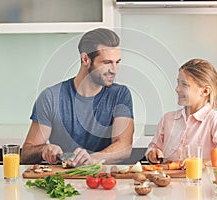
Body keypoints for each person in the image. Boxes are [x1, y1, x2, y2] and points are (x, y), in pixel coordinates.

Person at [21, 28, 134, 166]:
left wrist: (92, 159)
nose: (114, 70)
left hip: (104, 182)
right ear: (85, 59)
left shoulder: (120, 95)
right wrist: (43, 149)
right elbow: (26, 153)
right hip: (63, 179)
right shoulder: (51, 97)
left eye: (117, 62)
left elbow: (124, 147)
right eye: (107, 63)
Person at [146, 58, 217, 164]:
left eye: (184, 84)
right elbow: (154, 147)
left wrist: (200, 164)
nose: (177, 89)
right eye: (178, 83)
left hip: (202, 180)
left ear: (205, 91)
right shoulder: (168, 119)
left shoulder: (216, 121)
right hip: (168, 179)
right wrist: (152, 153)